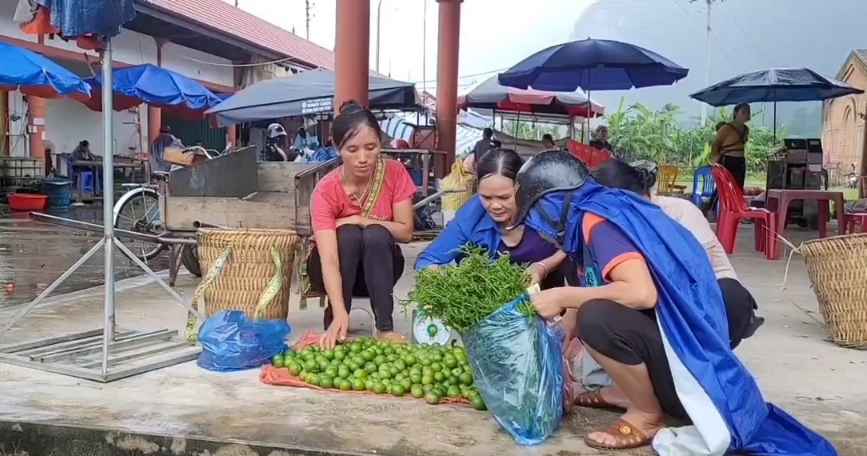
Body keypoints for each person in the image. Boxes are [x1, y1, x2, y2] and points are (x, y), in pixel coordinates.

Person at [513, 150, 842, 456]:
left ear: (553, 206)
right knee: (587, 312)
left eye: (534, 218)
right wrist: (556, 367)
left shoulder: (598, 223)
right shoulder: (598, 215)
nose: (537, 231)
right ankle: (622, 393)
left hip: (691, 376)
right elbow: (571, 317)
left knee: (596, 316)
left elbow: (641, 293)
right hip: (682, 358)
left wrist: (565, 294)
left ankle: (646, 414)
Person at [591, 159, 762, 349]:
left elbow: (698, 271)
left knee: (728, 297)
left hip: (705, 292)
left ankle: (710, 352)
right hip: (661, 298)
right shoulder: (610, 223)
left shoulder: (679, 211)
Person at [308, 100, 416, 349]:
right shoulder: (325, 191)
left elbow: (406, 231)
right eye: (352, 149)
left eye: (371, 147)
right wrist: (339, 311)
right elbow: (329, 260)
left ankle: (385, 327)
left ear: (381, 143)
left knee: (376, 233)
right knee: (346, 235)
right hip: (333, 270)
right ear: (337, 148)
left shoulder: (395, 172)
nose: (363, 158)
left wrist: (360, 219)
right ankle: (337, 314)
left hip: (380, 270)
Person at [415, 148, 566, 288]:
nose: (495, 205)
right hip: (492, 300)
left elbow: (577, 248)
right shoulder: (472, 216)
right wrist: (442, 281)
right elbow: (427, 260)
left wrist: (543, 267)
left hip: (555, 297)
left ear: (524, 188)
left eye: (504, 197)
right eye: (486, 197)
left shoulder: (548, 209)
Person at [712, 103, 751, 190]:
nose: (746, 114)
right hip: (727, 160)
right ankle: (713, 204)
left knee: (738, 188)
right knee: (723, 188)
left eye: (748, 111)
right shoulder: (726, 128)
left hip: (740, 161)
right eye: (743, 112)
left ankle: (734, 204)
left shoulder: (746, 129)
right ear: (736, 113)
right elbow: (716, 144)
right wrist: (715, 159)